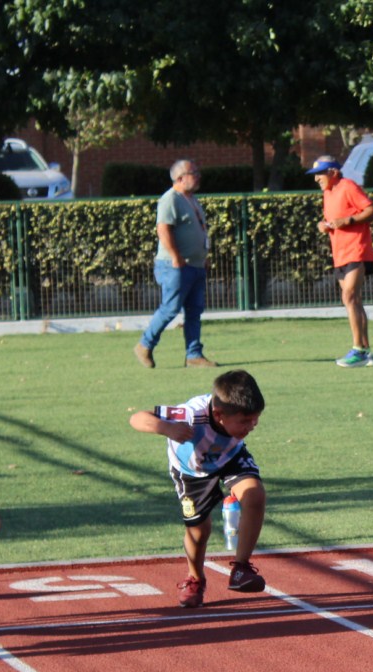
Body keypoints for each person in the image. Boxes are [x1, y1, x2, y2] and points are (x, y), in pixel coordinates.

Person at [129, 369, 269, 609]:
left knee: (254, 494)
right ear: (219, 414)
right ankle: (195, 578)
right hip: (191, 471)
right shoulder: (191, 413)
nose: (252, 426)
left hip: (230, 458)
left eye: (255, 419)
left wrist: (243, 425)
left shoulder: (234, 418)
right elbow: (137, 418)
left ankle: (241, 569)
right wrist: (166, 428)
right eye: (245, 421)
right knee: (198, 531)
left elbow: (242, 425)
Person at [134, 159, 215, 370]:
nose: (198, 175)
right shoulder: (170, 199)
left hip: (195, 265)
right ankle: (145, 344)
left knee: (195, 311)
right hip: (175, 265)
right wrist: (175, 256)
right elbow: (163, 230)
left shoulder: (192, 199)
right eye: (193, 172)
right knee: (170, 308)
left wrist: (203, 257)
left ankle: (194, 355)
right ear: (180, 178)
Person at [307, 155, 373, 368]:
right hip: (340, 253)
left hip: (356, 249)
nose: (316, 179)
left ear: (333, 172)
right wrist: (325, 225)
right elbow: (335, 219)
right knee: (354, 300)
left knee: (349, 296)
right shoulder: (328, 193)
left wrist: (347, 220)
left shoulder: (347, 186)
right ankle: (365, 351)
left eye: (319, 174)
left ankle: (358, 349)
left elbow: (371, 210)